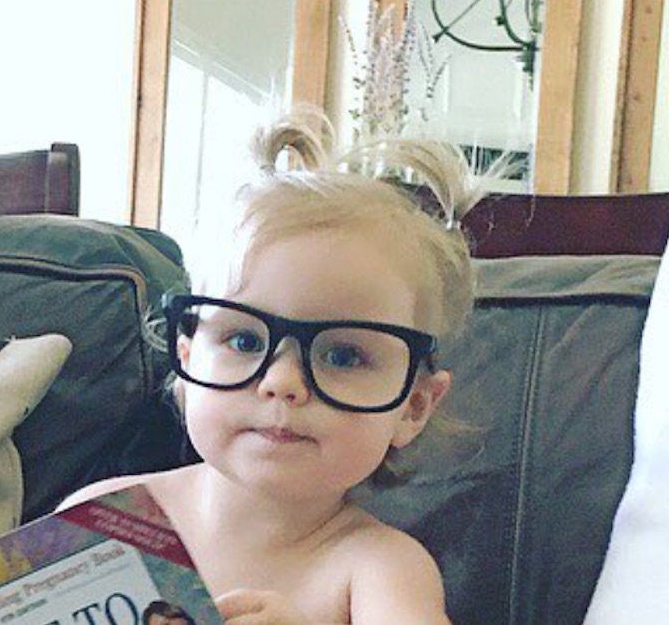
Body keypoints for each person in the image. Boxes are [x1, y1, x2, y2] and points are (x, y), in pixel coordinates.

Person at [60, 112, 484, 624]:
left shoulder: (379, 569)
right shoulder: (102, 520)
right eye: (243, 340)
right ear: (187, 360)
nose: (282, 383)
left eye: (343, 356)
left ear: (413, 407)